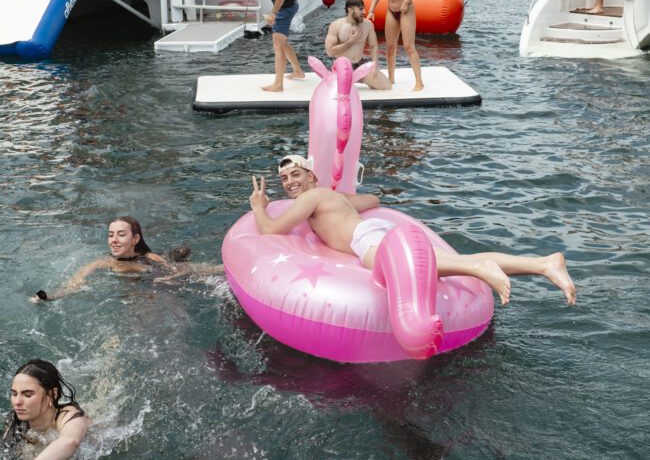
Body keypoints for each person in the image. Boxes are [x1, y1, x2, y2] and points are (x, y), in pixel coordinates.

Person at [249, 155, 577, 306]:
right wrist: (342, 200)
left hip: (367, 240)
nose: (289, 183)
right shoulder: (329, 197)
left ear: (310, 176)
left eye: (295, 175)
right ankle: (544, 264)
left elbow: (271, 229)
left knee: (386, 267)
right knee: (454, 258)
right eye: (284, 179)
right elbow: (373, 198)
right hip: (376, 229)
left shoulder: (311, 197)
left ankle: (480, 269)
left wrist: (258, 205)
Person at [30, 216, 221, 300]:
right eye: (111, 235)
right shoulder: (103, 263)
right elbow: (76, 282)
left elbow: (177, 271)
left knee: (198, 267)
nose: (114, 240)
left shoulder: (149, 257)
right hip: (140, 286)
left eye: (121, 234)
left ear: (135, 239)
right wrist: (52, 297)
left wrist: (168, 278)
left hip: (152, 272)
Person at [4, 360, 89, 460]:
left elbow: (71, 441)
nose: (17, 402)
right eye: (14, 393)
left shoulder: (68, 415)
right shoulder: (15, 425)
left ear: (52, 394)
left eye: (27, 394)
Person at [367, 0, 424, 91]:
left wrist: (407, 1)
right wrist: (371, 10)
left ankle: (419, 82)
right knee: (390, 47)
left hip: (406, 10)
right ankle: (391, 78)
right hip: (391, 12)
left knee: (408, 46)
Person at [325, 0, 391, 90]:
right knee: (342, 94)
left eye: (364, 9)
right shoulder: (336, 25)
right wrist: (350, 42)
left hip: (360, 65)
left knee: (386, 87)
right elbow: (330, 52)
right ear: (350, 10)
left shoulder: (368, 25)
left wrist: (374, 65)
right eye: (360, 9)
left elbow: (373, 46)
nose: (364, 12)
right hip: (342, 67)